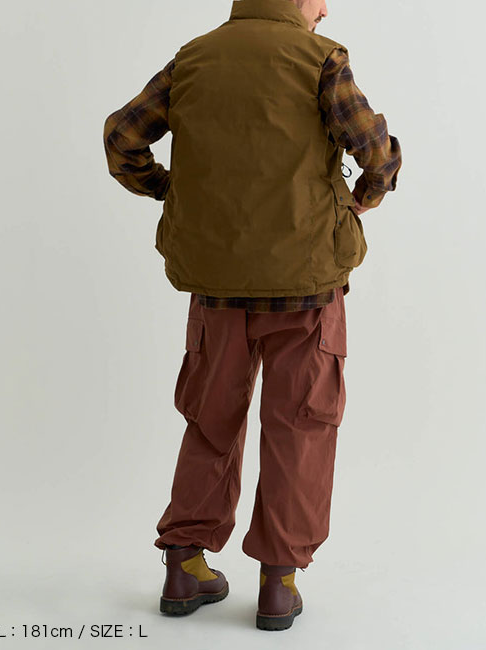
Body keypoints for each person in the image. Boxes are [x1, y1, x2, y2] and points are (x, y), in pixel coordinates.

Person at [103, 0, 401, 631]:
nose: (326, 9)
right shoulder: (321, 60)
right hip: (307, 289)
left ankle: (184, 564)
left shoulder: (193, 58)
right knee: (301, 426)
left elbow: (122, 138)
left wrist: (173, 191)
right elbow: (376, 153)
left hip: (217, 287)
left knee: (210, 421)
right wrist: (361, 199)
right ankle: (278, 583)